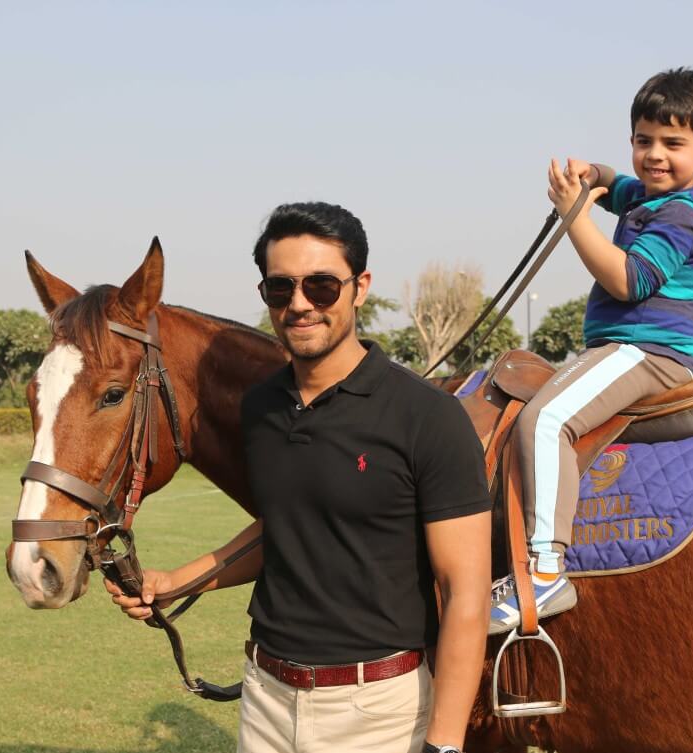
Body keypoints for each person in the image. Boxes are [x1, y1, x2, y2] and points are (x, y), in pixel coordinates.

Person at [107, 201, 492, 753]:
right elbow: (284, 528)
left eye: (321, 286)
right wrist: (178, 581)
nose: (300, 304)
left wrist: (446, 744)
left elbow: (465, 593)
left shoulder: (426, 415)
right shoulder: (262, 407)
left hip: (378, 712)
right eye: (280, 289)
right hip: (265, 701)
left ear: (360, 287)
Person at [489, 67, 693, 634]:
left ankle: (546, 571)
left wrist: (575, 215)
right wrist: (592, 174)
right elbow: (616, 183)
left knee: (546, 421)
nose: (655, 155)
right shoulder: (647, 196)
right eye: (645, 140)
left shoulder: (683, 213)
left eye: (674, 144)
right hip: (627, 348)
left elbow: (632, 281)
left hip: (648, 352)